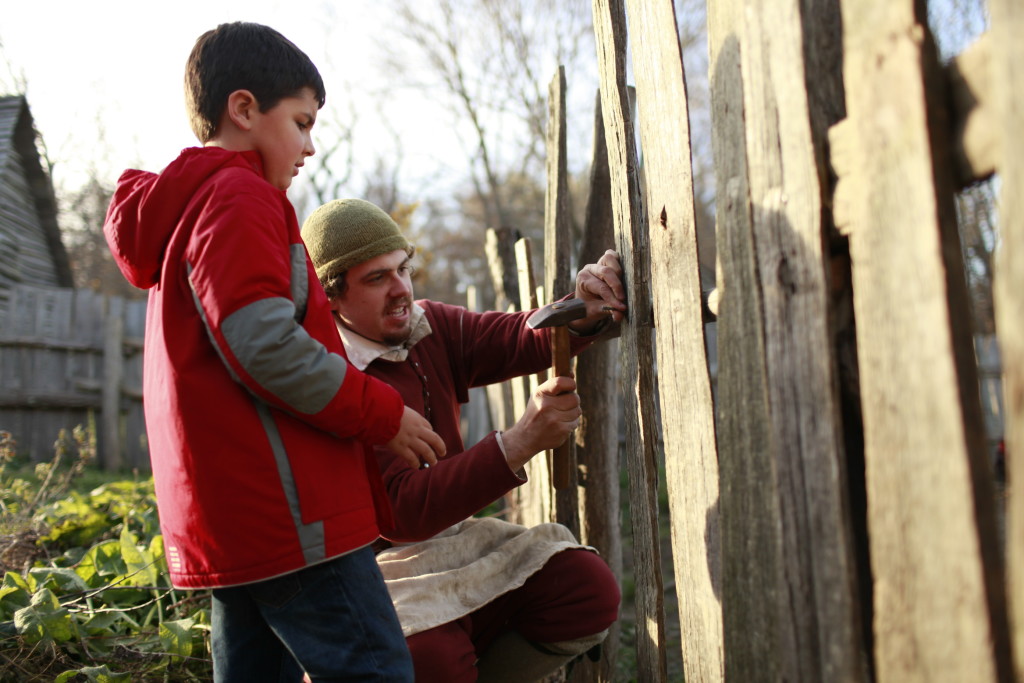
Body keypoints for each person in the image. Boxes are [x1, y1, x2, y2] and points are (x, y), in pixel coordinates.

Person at [102, 23, 445, 682]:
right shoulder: (240, 196)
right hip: (291, 519)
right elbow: (264, 343)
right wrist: (383, 411)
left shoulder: (192, 210)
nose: (311, 146)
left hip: (241, 518)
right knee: (375, 669)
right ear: (244, 109)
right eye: (302, 121)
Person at [300, 198, 625, 683]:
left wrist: (581, 308)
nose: (400, 290)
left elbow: (518, 336)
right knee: (430, 659)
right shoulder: (330, 379)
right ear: (331, 297)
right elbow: (403, 512)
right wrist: (518, 443)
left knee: (585, 589)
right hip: (375, 569)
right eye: (376, 279)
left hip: (453, 545)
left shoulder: (430, 327)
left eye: (403, 269)